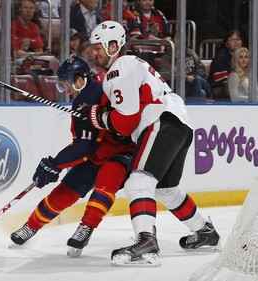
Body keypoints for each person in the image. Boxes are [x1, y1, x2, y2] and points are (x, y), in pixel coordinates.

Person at [76, 21, 221, 267]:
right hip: (178, 124)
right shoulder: (131, 65)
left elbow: (125, 122)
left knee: (138, 180)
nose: (94, 52)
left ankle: (146, 240)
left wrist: (95, 116)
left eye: (98, 47)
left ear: (113, 46)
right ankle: (205, 231)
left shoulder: (119, 68)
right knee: (165, 189)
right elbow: (127, 119)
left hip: (160, 122)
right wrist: (101, 115)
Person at [10, 55, 135, 257]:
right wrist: (56, 164)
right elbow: (85, 144)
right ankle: (31, 227)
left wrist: (55, 164)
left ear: (80, 79)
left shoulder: (91, 94)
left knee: (105, 182)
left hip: (122, 153)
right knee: (66, 190)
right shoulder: (85, 96)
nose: (65, 89)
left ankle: (85, 227)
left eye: (67, 83)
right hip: (97, 153)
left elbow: (85, 146)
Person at [160, 33, 210, 102]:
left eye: (182, 37)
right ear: (172, 40)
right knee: (202, 94)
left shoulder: (191, 53)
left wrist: (195, 76)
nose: (181, 40)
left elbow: (201, 68)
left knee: (197, 80)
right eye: (178, 38)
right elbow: (165, 75)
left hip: (197, 81)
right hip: (181, 87)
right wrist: (186, 78)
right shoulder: (166, 57)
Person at [209, 29, 243, 101]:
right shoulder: (221, 57)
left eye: (238, 39)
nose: (236, 42)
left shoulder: (244, 55)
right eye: (232, 40)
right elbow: (222, 81)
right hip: (221, 88)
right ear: (226, 43)